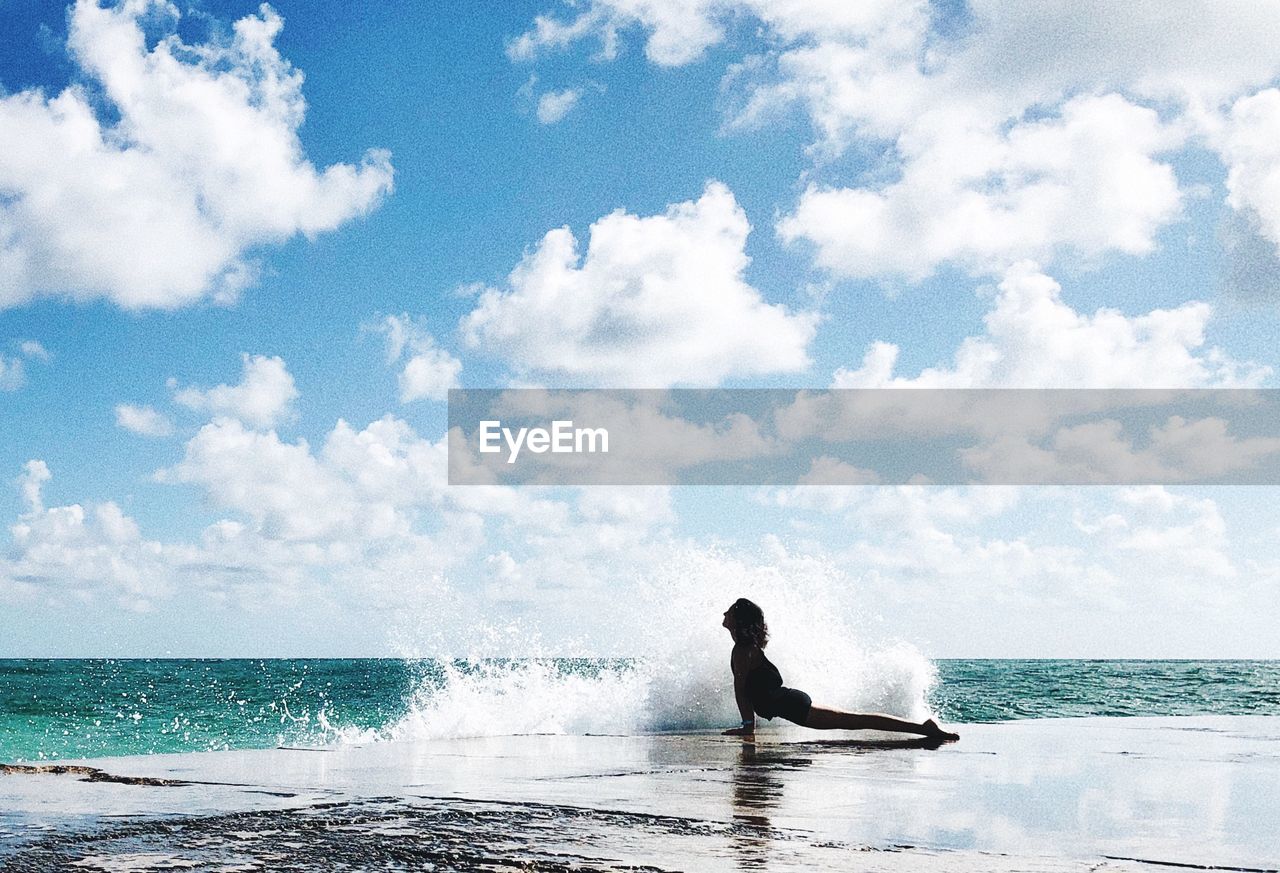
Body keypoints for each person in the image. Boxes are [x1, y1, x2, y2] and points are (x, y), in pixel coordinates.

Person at [721, 598, 959, 741]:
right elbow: (745, 690)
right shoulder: (746, 649)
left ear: (739, 620)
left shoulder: (743, 651)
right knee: (855, 720)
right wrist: (749, 725)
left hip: (793, 706)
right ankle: (921, 728)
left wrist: (747, 727)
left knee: (855, 721)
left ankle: (922, 728)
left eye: (729, 611)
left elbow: (741, 691)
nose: (724, 613)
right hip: (791, 703)